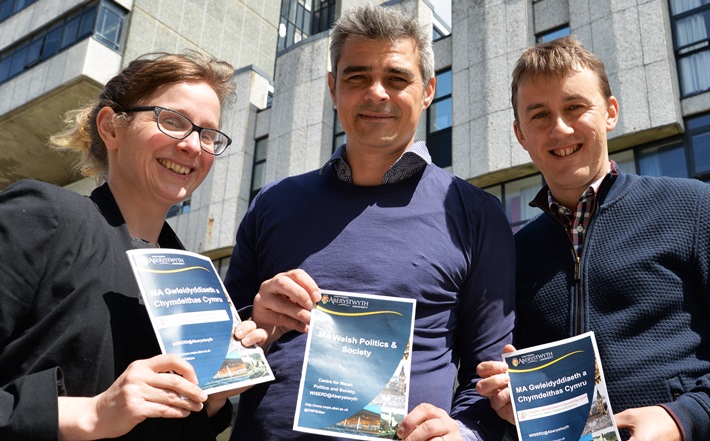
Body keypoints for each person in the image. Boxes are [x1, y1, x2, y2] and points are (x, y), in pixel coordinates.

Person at [475, 36, 710, 441]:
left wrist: (684, 418)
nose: (559, 128)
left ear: (610, 112)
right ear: (520, 134)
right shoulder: (515, 254)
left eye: (575, 107)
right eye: (539, 115)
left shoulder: (695, 208)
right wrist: (514, 401)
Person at [224, 4, 515, 441]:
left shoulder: (475, 213)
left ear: (429, 90)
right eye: (357, 77)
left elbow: (489, 373)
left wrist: (465, 433)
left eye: (397, 79)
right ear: (332, 88)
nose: (376, 93)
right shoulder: (273, 203)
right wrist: (257, 331)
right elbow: (215, 358)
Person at [0, 52, 266, 440]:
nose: (194, 145)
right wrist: (91, 413)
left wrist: (212, 396)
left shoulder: (194, 278)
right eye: (172, 121)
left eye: (208, 134)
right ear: (110, 127)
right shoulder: (45, 217)